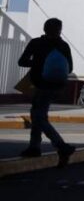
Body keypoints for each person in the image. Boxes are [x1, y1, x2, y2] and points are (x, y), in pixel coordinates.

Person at [17, 18, 76, 165]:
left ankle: (61, 146)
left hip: (40, 85)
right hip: (56, 86)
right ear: (59, 30)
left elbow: (22, 61)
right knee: (37, 114)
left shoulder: (36, 43)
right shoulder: (63, 46)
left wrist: (37, 63)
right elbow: (69, 68)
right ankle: (34, 147)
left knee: (39, 116)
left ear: (44, 29)